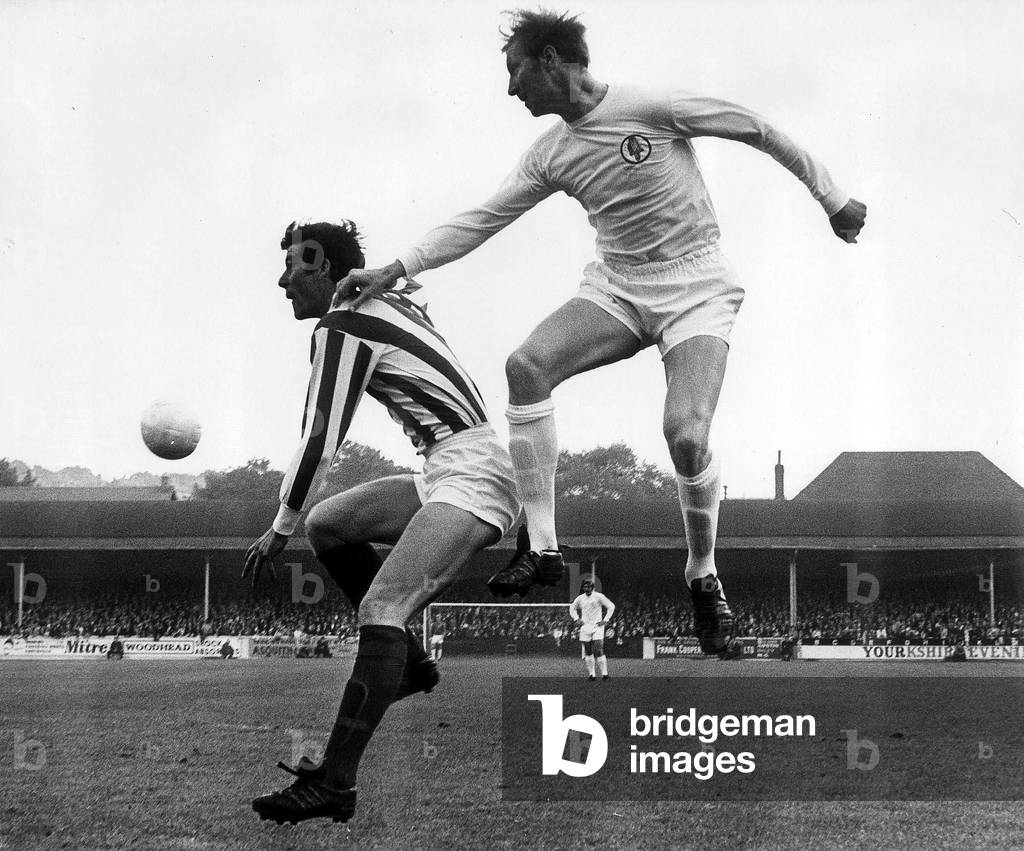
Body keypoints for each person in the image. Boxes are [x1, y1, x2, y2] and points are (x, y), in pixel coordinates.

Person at [335, 9, 866, 655]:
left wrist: (831, 196)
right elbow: (483, 218)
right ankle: (545, 546)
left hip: (696, 285)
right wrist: (397, 267)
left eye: (515, 71)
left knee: (687, 436)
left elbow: (755, 127)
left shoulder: (648, 105)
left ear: (550, 58)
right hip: (617, 286)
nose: (510, 89)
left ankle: (702, 573)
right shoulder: (551, 152)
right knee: (527, 365)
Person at [241, 220, 519, 826]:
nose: (283, 279)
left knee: (380, 608)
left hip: (472, 470)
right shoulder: (383, 300)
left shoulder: (341, 325)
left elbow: (322, 436)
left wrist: (278, 525)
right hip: (449, 465)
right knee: (330, 524)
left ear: (324, 269)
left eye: (295, 266)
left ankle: (335, 784)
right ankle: (411, 664)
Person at [569, 579, 615, 680]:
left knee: (598, 649)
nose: (587, 589)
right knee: (588, 651)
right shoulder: (580, 598)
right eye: (585, 587)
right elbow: (572, 608)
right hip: (585, 627)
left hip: (597, 626)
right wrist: (576, 619)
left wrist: (605, 620)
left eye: (589, 587)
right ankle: (592, 675)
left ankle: (605, 674)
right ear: (583, 588)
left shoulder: (599, 596)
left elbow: (611, 606)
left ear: (592, 587)